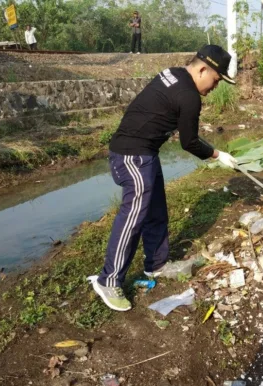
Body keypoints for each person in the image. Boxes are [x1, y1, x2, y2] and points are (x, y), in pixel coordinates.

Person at [89, 45, 237, 311]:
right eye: (216, 80)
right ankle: (108, 280)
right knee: (134, 215)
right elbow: (189, 142)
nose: (215, 86)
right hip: (131, 155)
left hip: (145, 151)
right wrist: (217, 154)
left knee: (156, 208)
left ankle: (156, 265)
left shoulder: (173, 73)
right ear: (203, 68)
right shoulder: (190, 95)